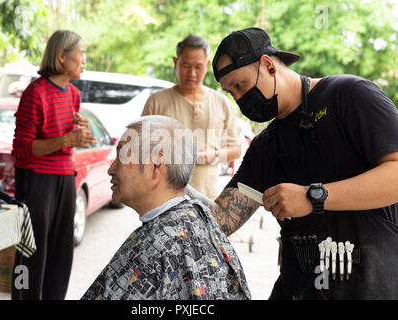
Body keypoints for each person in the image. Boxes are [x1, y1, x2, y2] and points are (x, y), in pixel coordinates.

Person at [186, 27, 398, 300]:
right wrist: (172, 187)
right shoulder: (266, 147)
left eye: (240, 86)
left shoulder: (349, 95)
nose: (239, 99)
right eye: (230, 93)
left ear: (268, 65)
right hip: (301, 287)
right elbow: (222, 220)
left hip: (371, 284)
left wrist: (313, 197)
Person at [81, 115, 250, 300]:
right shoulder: (195, 217)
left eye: (121, 157)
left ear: (156, 165)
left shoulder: (161, 244)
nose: (111, 169)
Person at [11, 30, 97, 300]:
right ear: (62, 56)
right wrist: (66, 138)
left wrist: (78, 133)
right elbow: (22, 150)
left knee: (62, 252)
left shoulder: (73, 94)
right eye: (80, 53)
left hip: (64, 179)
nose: (84, 59)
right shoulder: (35, 93)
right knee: (30, 253)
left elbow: (65, 140)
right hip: (36, 181)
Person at [142, 34, 241, 200]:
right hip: (164, 201)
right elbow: (142, 150)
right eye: (186, 66)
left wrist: (214, 155)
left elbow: (235, 150)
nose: (192, 73)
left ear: (208, 65)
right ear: (175, 63)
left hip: (208, 199)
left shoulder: (221, 102)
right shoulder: (156, 102)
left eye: (198, 67)